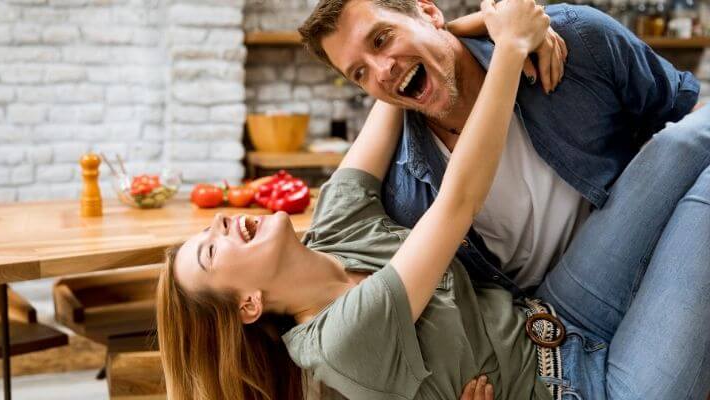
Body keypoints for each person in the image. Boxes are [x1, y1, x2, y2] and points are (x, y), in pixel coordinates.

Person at [155, 0, 710, 399]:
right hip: (582, 389)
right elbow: (459, 201)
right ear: (248, 304)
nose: (222, 223)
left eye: (377, 45)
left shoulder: (333, 229)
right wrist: (513, 46)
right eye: (211, 250)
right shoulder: (338, 341)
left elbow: (391, 88)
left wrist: (475, 25)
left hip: (559, 312)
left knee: (688, 140)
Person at [298, 0, 701, 297]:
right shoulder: (404, 194)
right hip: (551, 331)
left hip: (647, 268)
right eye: (360, 72)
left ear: (429, 11)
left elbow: (683, 118)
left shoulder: (577, 41)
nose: (382, 70)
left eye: (382, 38)